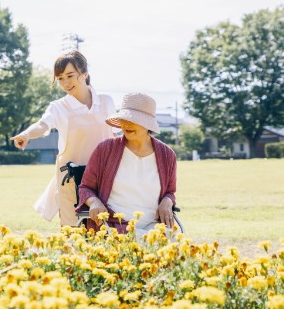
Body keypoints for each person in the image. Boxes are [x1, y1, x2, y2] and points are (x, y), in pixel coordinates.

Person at [10, 50, 117, 226]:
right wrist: (27, 134)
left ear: (84, 74)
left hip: (106, 176)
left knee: (110, 228)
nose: (65, 82)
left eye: (70, 75)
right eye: (60, 78)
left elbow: (119, 132)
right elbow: (43, 125)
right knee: (73, 231)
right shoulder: (59, 107)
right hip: (72, 178)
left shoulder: (106, 101)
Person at [75, 92, 177, 237]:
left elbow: (170, 191)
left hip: (154, 227)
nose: (127, 123)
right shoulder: (105, 149)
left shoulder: (167, 155)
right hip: (115, 227)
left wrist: (167, 201)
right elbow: (85, 188)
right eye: (124, 118)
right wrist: (94, 202)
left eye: (133, 119)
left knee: (174, 242)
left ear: (148, 124)